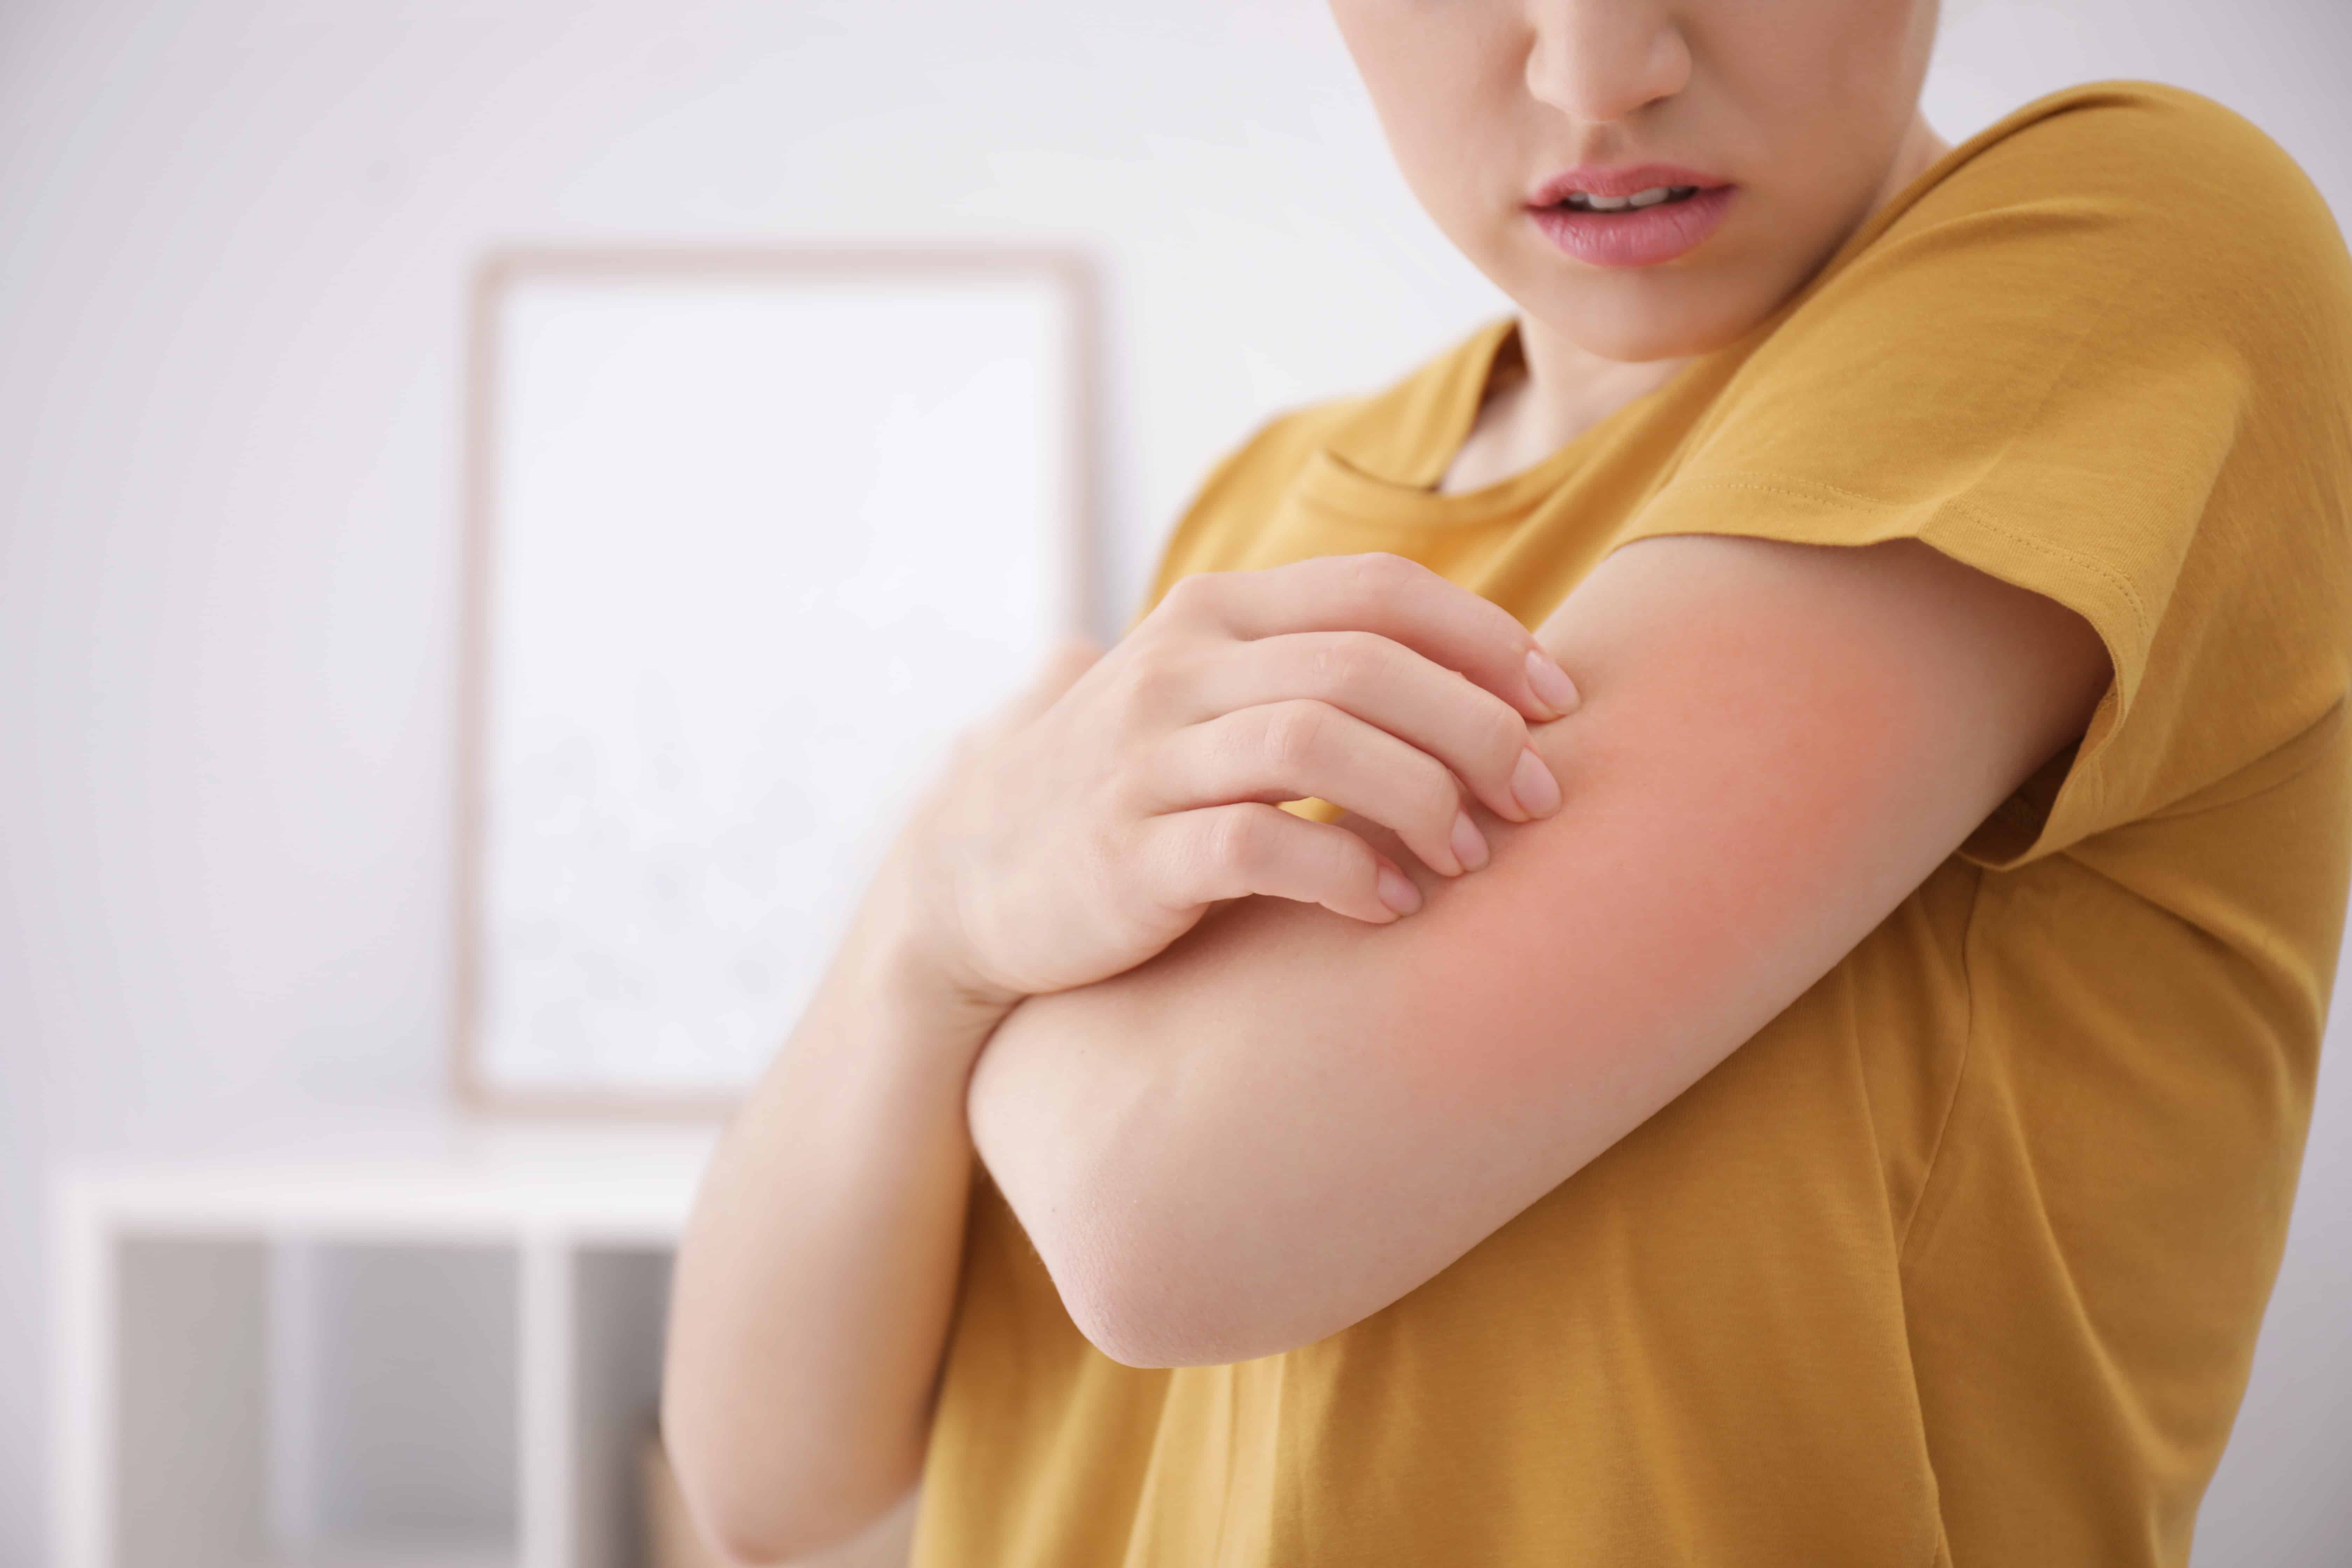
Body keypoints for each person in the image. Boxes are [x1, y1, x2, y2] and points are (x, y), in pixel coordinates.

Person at [661, 1, 2352, 1564]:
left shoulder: (2130, 257)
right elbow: (771, 1478)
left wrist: (968, 919)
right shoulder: (1262, 506)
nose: (1598, 67)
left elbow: (1159, 1215)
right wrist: (933, 916)